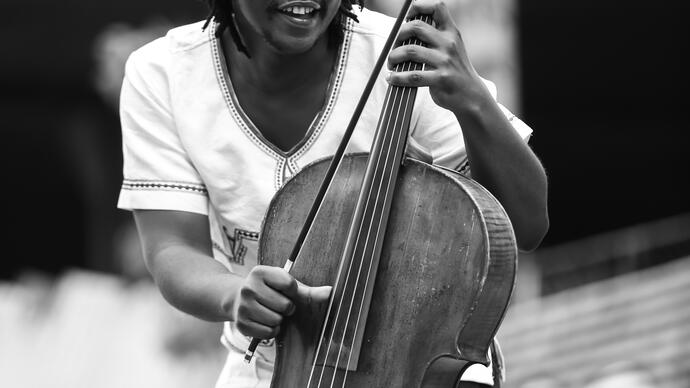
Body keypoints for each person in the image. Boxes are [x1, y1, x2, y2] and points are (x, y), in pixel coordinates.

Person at [117, 0, 549, 386]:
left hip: (418, 372)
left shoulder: (405, 55)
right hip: (269, 370)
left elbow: (527, 226)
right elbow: (173, 247)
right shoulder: (161, 74)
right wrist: (234, 295)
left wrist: (472, 99)